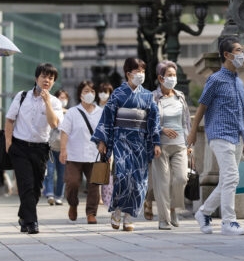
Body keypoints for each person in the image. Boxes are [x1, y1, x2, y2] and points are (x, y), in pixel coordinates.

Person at [187, 37, 244, 236]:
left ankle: (204, 212)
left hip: (237, 136)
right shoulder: (215, 79)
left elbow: (240, 112)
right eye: (238, 50)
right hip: (219, 135)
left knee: (227, 181)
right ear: (227, 55)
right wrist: (193, 132)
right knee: (232, 177)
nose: (242, 54)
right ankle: (228, 222)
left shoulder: (239, 82)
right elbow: (202, 106)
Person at [91, 57, 160, 231]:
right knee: (122, 177)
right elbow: (107, 117)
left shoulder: (147, 95)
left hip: (140, 142)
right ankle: (117, 210)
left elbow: (154, 120)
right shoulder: (118, 94)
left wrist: (156, 142)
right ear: (128, 73)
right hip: (121, 140)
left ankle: (129, 215)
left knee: (139, 181)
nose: (141, 75)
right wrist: (103, 140)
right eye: (137, 71)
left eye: (143, 71)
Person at [5, 63, 64, 234]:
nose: (47, 80)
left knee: (37, 187)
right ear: (36, 78)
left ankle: (24, 215)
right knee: (26, 185)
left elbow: (54, 123)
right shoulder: (22, 96)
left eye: (51, 78)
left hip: (41, 149)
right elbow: (10, 119)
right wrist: (8, 143)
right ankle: (32, 222)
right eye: (44, 76)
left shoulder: (55, 102)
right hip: (20, 147)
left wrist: (47, 103)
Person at [151, 60, 190, 230]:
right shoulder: (153, 97)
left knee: (181, 178)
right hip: (161, 147)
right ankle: (164, 218)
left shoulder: (180, 96)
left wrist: (190, 144)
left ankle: (173, 208)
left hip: (180, 144)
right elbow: (149, 122)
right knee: (162, 183)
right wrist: (161, 131)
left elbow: (186, 121)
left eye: (174, 75)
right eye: (169, 75)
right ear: (161, 78)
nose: (173, 78)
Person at [59, 80, 102, 224]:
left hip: (95, 155)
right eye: (86, 91)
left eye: (92, 91)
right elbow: (64, 132)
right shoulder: (72, 112)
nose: (90, 94)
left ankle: (91, 213)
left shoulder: (101, 112)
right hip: (74, 155)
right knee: (72, 183)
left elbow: (105, 133)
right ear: (80, 94)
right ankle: (73, 204)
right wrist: (63, 150)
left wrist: (107, 151)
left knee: (94, 185)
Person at [43, 89, 69, 205]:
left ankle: (59, 195)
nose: (62, 100)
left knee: (62, 174)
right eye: (60, 97)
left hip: (64, 148)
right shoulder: (52, 111)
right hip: (51, 147)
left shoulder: (70, 113)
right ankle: (50, 194)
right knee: (50, 171)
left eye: (65, 98)